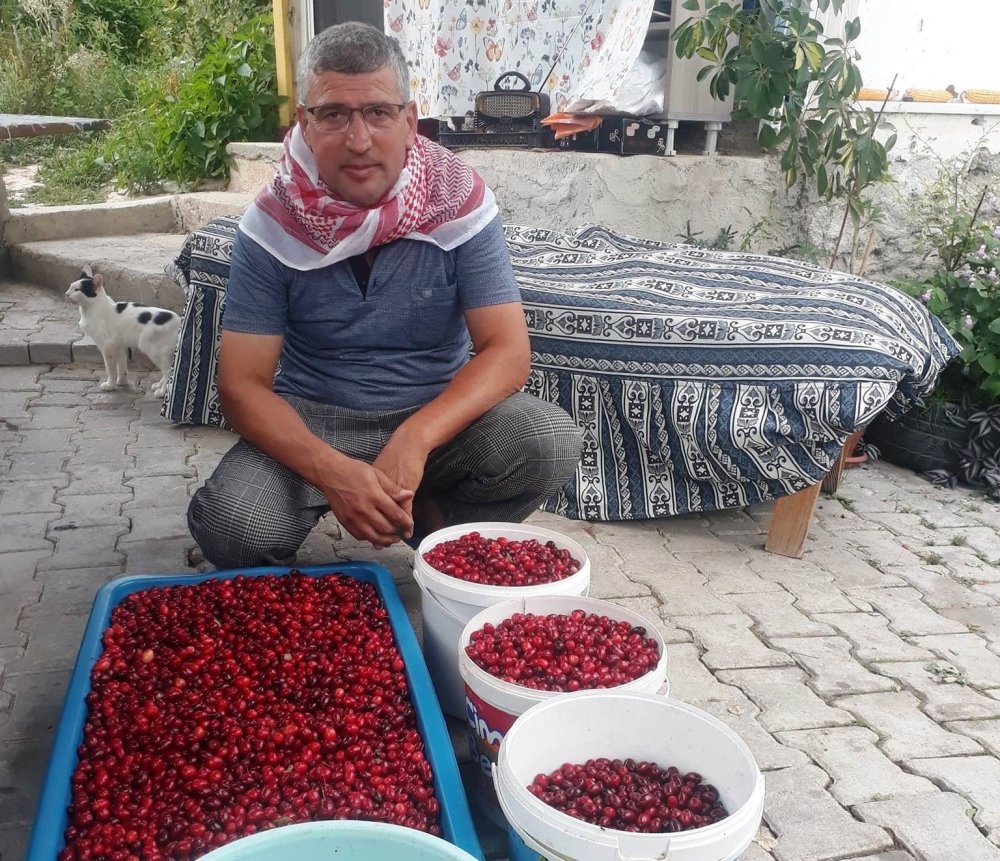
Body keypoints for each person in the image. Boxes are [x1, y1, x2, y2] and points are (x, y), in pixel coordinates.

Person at [187, 21, 583, 569]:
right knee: (234, 529)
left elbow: (508, 353)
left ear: (409, 120)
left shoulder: (459, 201)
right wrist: (332, 471)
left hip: (437, 415)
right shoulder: (271, 223)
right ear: (303, 122)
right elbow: (241, 387)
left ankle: (436, 529)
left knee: (547, 439)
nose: (358, 140)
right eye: (333, 115)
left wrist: (415, 439)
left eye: (378, 112)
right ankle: (378, 496)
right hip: (314, 418)